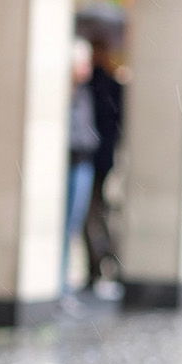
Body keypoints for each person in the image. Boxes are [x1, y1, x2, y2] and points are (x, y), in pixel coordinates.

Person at [83, 38, 125, 291]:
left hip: (98, 158)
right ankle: (102, 263)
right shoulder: (103, 85)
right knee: (96, 214)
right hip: (98, 156)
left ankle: (104, 262)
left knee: (96, 213)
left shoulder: (102, 86)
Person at [62, 38, 100, 296]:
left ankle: (63, 286)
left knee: (74, 225)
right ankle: (60, 286)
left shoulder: (86, 92)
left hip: (84, 162)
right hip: (72, 162)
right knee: (66, 226)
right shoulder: (69, 94)